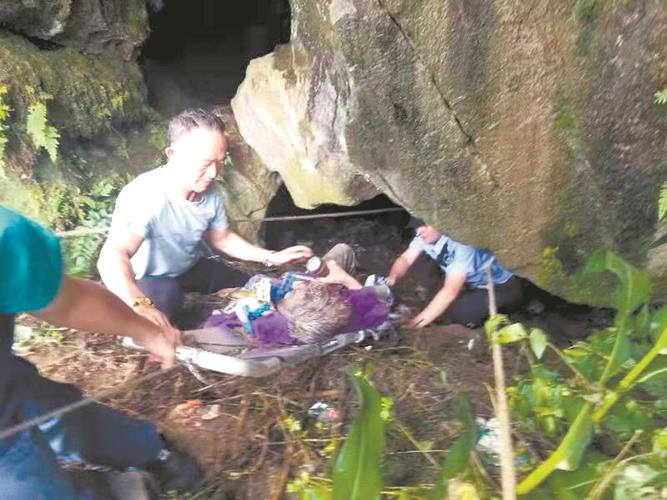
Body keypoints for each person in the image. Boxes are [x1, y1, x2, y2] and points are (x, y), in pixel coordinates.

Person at [0, 205, 201, 498]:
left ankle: (148, 453)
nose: (209, 179)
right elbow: (113, 259)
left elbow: (69, 301)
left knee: (48, 405)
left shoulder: (4, 237)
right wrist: (144, 313)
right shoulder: (150, 198)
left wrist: (149, 331)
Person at [97, 108, 312, 327]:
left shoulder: (211, 193)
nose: (213, 173)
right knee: (165, 302)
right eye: (205, 163)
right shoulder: (146, 195)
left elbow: (223, 239)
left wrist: (272, 257)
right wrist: (138, 303)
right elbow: (113, 255)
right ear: (173, 154)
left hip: (189, 267)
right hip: (148, 278)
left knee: (251, 285)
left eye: (219, 162)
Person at [387, 217, 523, 328]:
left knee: (460, 313)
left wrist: (416, 323)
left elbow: (450, 291)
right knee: (438, 298)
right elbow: (405, 259)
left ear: (439, 223)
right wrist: (391, 280)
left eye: (425, 226)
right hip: (474, 284)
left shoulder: (462, 245)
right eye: (416, 227)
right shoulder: (423, 238)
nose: (419, 231)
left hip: (503, 288)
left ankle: (506, 316)